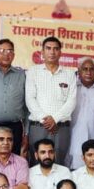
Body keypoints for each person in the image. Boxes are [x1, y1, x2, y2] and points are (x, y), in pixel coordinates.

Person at [25, 36, 76, 165]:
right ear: (42, 52)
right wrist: (46, 120)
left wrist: (55, 119)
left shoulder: (69, 74)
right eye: (48, 48)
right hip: (38, 126)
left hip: (60, 128)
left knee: (59, 164)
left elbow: (72, 101)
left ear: (60, 52)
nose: (52, 52)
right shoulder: (33, 71)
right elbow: (30, 99)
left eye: (56, 49)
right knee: (37, 164)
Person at [67, 57, 94, 170]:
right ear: (79, 71)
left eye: (91, 69)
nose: (88, 72)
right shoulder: (72, 88)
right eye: (85, 69)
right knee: (73, 169)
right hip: (73, 137)